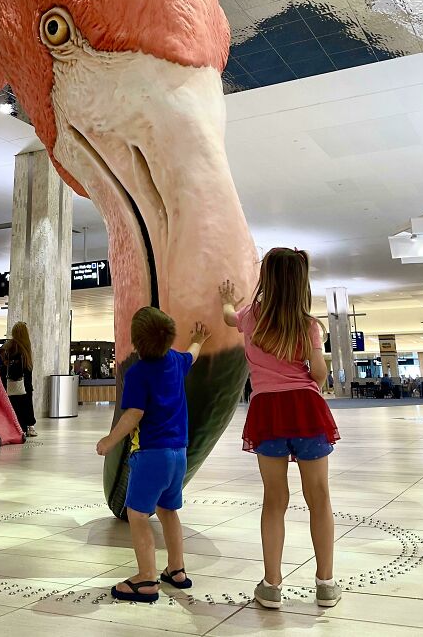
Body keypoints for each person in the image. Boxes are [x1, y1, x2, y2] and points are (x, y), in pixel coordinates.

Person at [219, 247, 341, 611]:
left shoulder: (250, 315)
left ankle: (272, 585)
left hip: (266, 411)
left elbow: (229, 318)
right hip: (306, 409)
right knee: (318, 497)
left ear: (266, 278)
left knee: (275, 500)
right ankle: (325, 584)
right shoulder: (308, 323)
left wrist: (227, 300)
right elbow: (319, 374)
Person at [96, 308, 210, 603]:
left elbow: (133, 414)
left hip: (151, 455)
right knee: (168, 510)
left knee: (137, 514)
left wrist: (109, 441)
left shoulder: (137, 373)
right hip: (178, 453)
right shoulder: (175, 361)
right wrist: (198, 338)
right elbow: (192, 354)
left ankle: (146, 578)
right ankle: (176, 570)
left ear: (135, 341)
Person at [0, 321, 37, 438]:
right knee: (26, 404)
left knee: (15, 405)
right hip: (24, 383)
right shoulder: (25, 348)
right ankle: (28, 427)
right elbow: (28, 368)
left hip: (11, 382)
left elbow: (3, 362)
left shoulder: (9, 346)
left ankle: (16, 427)